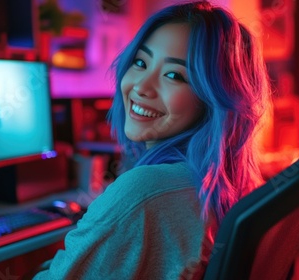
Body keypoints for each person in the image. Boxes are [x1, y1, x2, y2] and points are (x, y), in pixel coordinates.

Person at [33, 1, 271, 279]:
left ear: (214, 98)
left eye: (174, 75)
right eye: (140, 62)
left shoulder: (143, 191)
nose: (141, 87)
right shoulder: (240, 183)